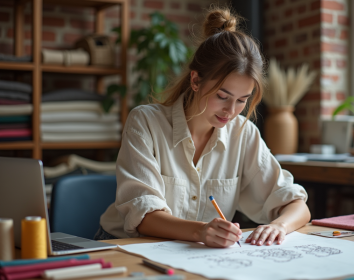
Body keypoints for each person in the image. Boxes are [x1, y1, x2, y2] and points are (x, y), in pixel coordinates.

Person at [96, 7, 310, 248]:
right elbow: (143, 217)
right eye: (222, 95)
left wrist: (279, 226)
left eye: (242, 100)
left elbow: (296, 205)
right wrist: (201, 232)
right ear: (196, 80)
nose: (231, 111)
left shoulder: (243, 133)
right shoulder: (145, 122)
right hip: (125, 246)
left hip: (192, 253)